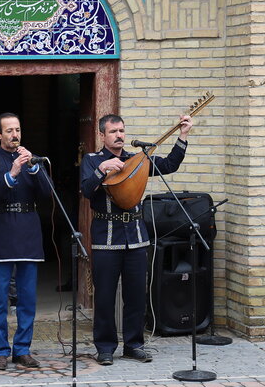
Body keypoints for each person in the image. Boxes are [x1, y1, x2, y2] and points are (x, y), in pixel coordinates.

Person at [80, 113, 193, 366]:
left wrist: (182, 136)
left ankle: (134, 344)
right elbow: (86, 190)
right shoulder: (92, 161)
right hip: (106, 238)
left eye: (121, 130)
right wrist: (101, 171)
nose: (119, 135)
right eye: (113, 132)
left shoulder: (136, 160)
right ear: (102, 135)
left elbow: (169, 165)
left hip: (136, 237)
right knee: (105, 296)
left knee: (136, 296)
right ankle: (106, 348)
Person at [0, 113, 52, 370]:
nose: (14, 134)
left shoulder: (31, 160)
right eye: (9, 130)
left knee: (27, 298)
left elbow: (47, 193)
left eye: (17, 129)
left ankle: (22, 349)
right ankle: (0, 350)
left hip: (28, 231)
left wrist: (32, 168)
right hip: (0, 231)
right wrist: (12, 172)